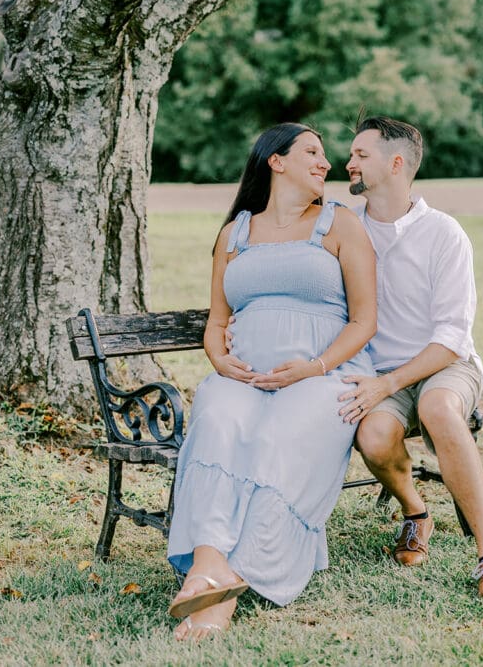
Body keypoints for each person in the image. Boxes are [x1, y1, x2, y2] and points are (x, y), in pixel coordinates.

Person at [165, 123, 377, 641]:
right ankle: (207, 563)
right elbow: (218, 320)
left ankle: (235, 580)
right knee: (216, 418)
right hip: (243, 377)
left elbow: (364, 321)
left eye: (324, 154)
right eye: (311, 151)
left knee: (280, 435)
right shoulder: (234, 233)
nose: (324, 162)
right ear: (275, 161)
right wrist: (219, 359)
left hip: (325, 376)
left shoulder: (339, 225)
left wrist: (316, 366)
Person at [337, 116, 483, 599]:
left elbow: (453, 338)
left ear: (396, 164)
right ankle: (417, 514)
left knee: (437, 406)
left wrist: (389, 383)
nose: (348, 162)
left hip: (445, 366)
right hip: (378, 374)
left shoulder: (444, 233)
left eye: (360, 155)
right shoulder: (344, 227)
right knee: (373, 436)